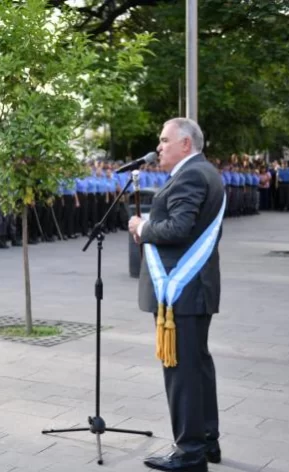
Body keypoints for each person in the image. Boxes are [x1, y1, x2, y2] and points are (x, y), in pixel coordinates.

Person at [128, 117, 224, 472]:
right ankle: (206, 440)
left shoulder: (192, 175)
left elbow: (180, 227)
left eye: (165, 140)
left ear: (186, 144)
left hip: (183, 291)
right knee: (197, 366)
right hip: (193, 290)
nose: (159, 147)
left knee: (182, 371)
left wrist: (143, 226)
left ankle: (190, 451)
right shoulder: (201, 172)